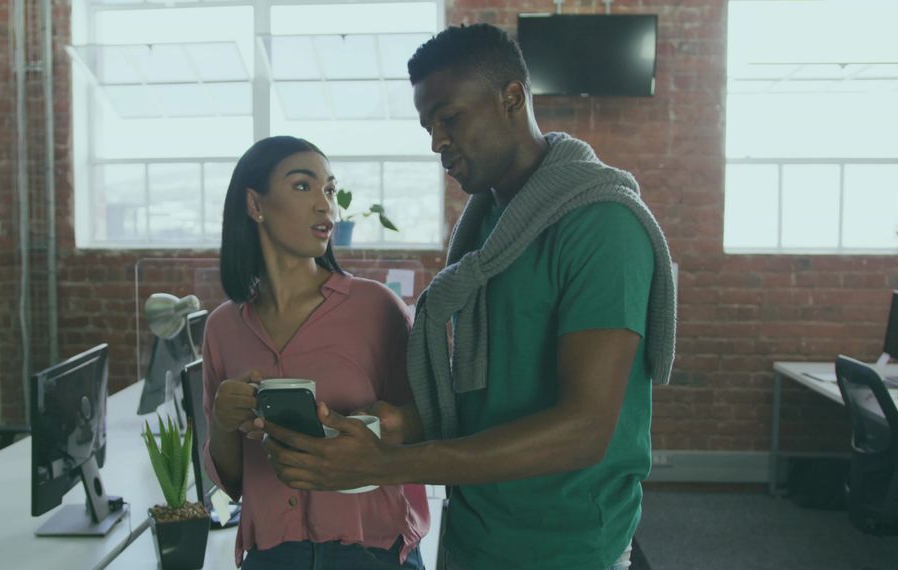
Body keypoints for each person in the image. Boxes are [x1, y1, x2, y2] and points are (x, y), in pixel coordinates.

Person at [258, 25, 677, 570]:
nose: (436, 141)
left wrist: (386, 464)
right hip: (472, 533)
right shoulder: (487, 231)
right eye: (428, 125)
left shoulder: (600, 226)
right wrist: (397, 427)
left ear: (511, 98)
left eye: (449, 118)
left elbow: (584, 431)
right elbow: (494, 396)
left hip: (564, 548)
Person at [201, 135, 430, 569]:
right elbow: (232, 482)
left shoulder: (376, 307)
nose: (326, 205)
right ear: (255, 205)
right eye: (303, 186)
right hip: (270, 555)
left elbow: (427, 427)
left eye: (328, 189)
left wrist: (380, 428)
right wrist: (222, 421)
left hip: (370, 551)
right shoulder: (223, 328)